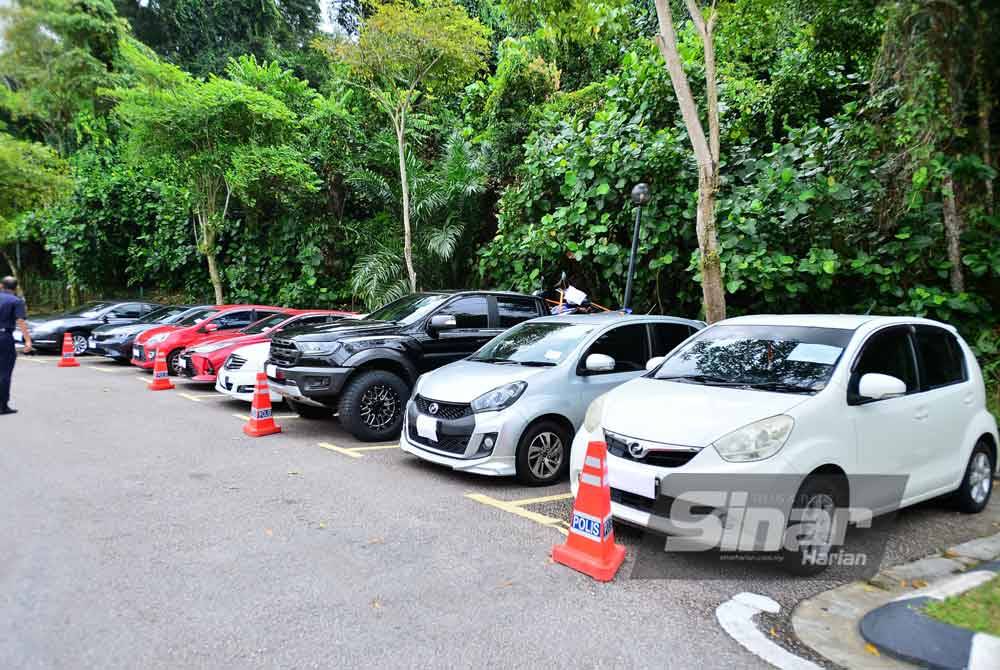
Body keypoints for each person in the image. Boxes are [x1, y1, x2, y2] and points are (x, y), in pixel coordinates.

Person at [0, 276, 31, 415]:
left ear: (1, 286)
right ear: (16, 287)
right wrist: (28, 340)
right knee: (4, 373)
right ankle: (2, 406)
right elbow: (20, 321)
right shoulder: (16, 301)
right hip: (4, 337)